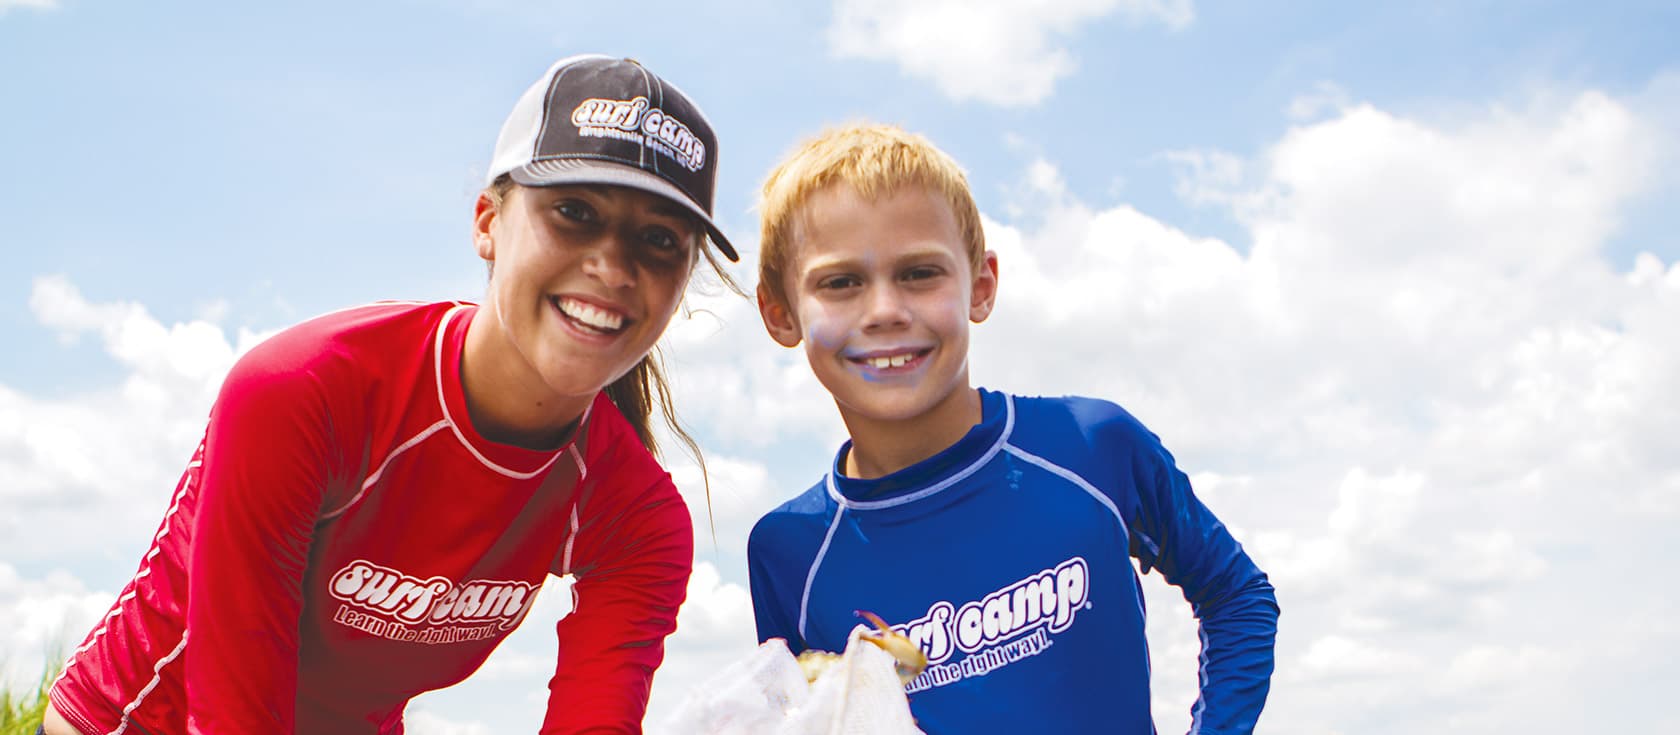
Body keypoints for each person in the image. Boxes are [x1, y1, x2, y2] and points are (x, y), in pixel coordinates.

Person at [42, 54, 738, 735]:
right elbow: (233, 716)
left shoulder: (640, 519)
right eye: (574, 211)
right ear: (487, 222)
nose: (613, 267)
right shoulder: (303, 393)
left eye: (658, 239)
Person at [745, 123, 1280, 734]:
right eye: (840, 283)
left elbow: (1237, 596)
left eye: (920, 273)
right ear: (781, 314)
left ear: (981, 285)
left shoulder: (1091, 447)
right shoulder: (788, 549)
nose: (886, 311)